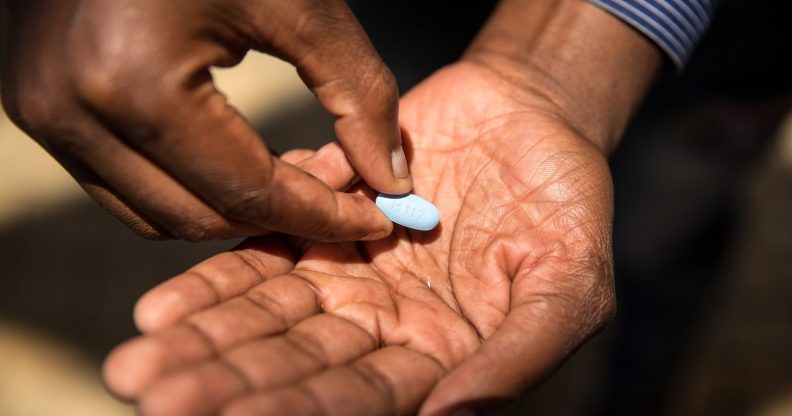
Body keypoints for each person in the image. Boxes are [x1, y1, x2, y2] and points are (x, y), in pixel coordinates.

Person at [1, 0, 714, 414]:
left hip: (715, 51)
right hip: (408, 11)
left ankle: (638, 391)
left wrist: (563, 59)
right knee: (401, 60)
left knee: (667, 227)